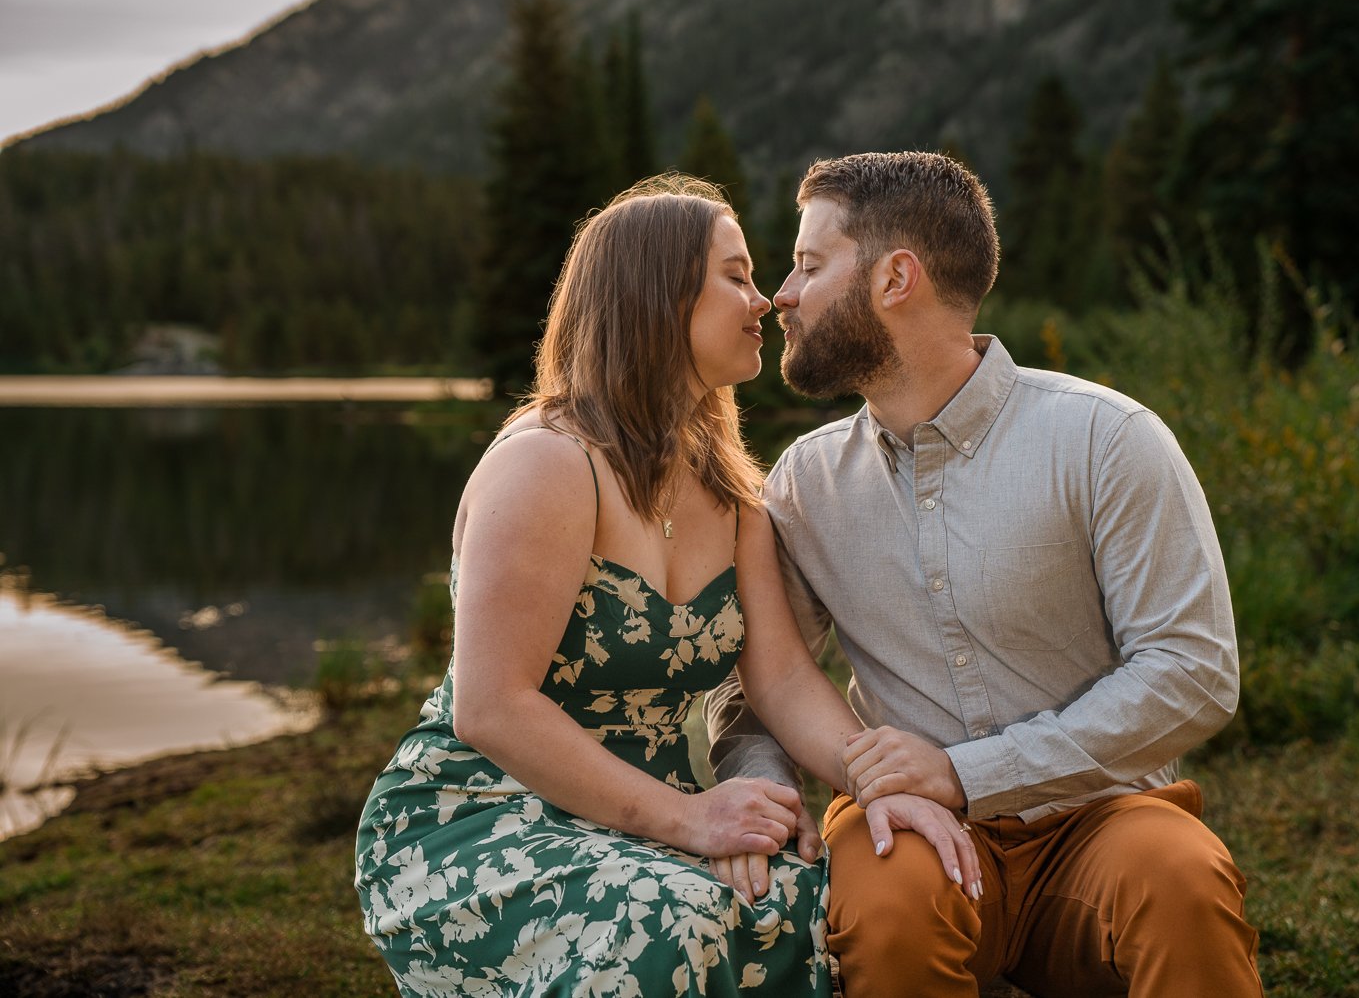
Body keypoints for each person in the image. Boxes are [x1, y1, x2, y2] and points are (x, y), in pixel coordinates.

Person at [353, 174, 978, 998]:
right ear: (655, 295)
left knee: (818, 911)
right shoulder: (548, 461)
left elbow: (784, 677)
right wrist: (691, 818)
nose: (766, 301)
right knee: (677, 918)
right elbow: (491, 706)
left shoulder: (734, 495)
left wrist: (878, 784)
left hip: (660, 816)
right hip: (486, 810)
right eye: (736, 275)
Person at [705, 152, 1264, 997]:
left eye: (810, 265)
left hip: (1102, 816)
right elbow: (754, 683)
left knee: (1182, 882)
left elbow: (1194, 672)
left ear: (897, 278)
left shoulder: (1106, 440)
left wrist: (970, 773)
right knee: (889, 912)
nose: (783, 292)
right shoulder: (803, 485)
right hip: (902, 829)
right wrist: (764, 796)